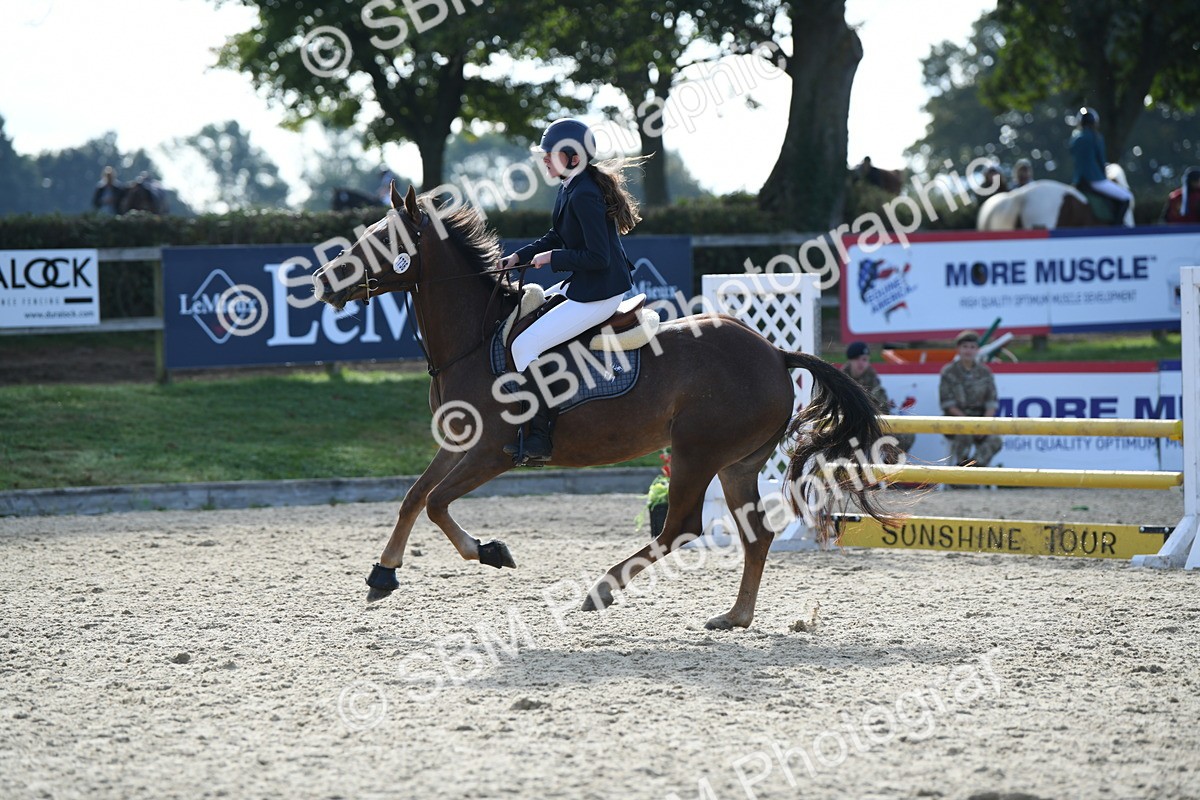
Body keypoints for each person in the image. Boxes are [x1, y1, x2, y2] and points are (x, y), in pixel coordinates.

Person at [497, 118, 641, 464]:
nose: (544, 161)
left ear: (572, 157)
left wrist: (551, 259)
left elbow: (597, 256)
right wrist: (521, 255)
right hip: (584, 285)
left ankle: (540, 439)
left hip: (599, 293)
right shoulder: (572, 187)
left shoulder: (585, 193)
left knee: (524, 344)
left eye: (550, 155)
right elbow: (557, 234)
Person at [939, 330, 1002, 469]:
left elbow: (991, 402)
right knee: (964, 435)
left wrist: (983, 425)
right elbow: (948, 404)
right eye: (965, 347)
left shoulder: (985, 372)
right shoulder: (949, 372)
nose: (968, 351)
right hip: (956, 421)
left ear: (977, 350)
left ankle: (972, 469)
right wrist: (970, 425)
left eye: (972, 347)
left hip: (981, 421)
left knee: (995, 440)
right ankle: (964, 470)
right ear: (958, 349)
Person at [841, 342, 914, 452]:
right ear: (850, 360)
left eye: (864, 359)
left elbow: (883, 409)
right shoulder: (841, 381)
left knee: (906, 436)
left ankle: (889, 466)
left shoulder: (873, 380)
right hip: (848, 428)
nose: (861, 363)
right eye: (857, 359)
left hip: (872, 426)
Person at [1068, 107, 1132, 224]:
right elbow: (1101, 160)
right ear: (1094, 123)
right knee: (1126, 197)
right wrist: (1104, 175)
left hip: (1078, 180)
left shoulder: (1074, 139)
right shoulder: (1096, 137)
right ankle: (1117, 226)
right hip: (1095, 179)